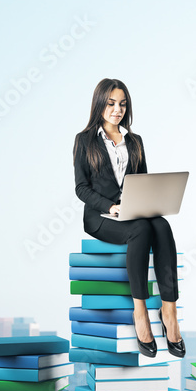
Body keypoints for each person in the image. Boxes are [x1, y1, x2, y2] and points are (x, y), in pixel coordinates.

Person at [72, 77, 184, 358]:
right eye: (111, 103)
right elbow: (81, 188)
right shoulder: (84, 141)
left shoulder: (135, 141)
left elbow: (143, 181)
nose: (117, 109)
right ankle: (140, 311)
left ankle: (169, 309)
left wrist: (149, 202)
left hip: (134, 211)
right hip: (101, 215)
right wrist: (111, 207)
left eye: (122, 104)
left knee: (161, 225)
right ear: (100, 104)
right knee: (141, 232)